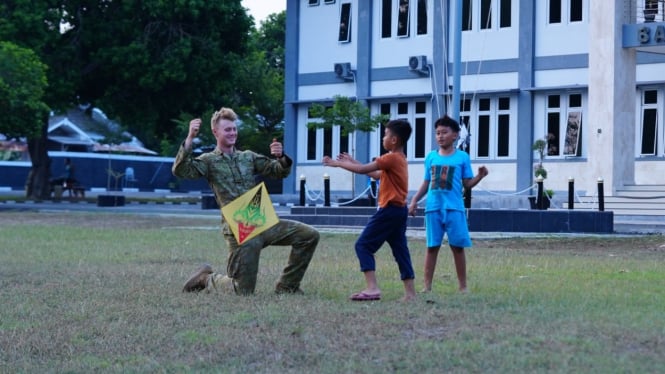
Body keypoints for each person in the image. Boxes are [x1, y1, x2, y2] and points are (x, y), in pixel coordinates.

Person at [173, 107, 320, 295]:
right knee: (243, 290)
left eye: (234, 129)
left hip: (261, 221)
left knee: (309, 235)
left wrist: (280, 157)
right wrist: (190, 138)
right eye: (227, 129)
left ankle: (287, 286)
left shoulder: (248, 157)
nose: (233, 133)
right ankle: (206, 278)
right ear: (215, 132)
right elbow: (181, 171)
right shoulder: (208, 161)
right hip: (239, 229)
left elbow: (277, 171)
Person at [323, 119, 416, 302]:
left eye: (386, 135)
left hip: (388, 211)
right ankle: (410, 293)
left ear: (394, 139)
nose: (383, 138)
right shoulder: (400, 160)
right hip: (399, 211)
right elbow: (375, 174)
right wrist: (352, 161)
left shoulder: (390, 158)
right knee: (400, 251)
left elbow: (362, 169)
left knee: (363, 245)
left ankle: (372, 288)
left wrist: (338, 164)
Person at [408, 115, 488, 293]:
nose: (440, 136)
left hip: (454, 208)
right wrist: (414, 201)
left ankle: (463, 286)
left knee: (458, 248)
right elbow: (426, 182)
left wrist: (480, 176)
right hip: (433, 208)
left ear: (455, 135)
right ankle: (426, 286)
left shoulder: (462, 157)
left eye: (444, 132)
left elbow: (467, 184)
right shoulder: (430, 157)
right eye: (437, 133)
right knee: (432, 247)